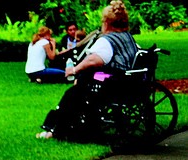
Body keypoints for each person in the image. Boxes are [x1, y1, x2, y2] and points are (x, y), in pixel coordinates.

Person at [38, 0, 139, 139]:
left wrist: (75, 70)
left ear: (106, 23)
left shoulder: (107, 41)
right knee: (85, 81)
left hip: (114, 85)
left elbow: (94, 60)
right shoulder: (128, 37)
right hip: (129, 82)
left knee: (73, 94)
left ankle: (54, 130)